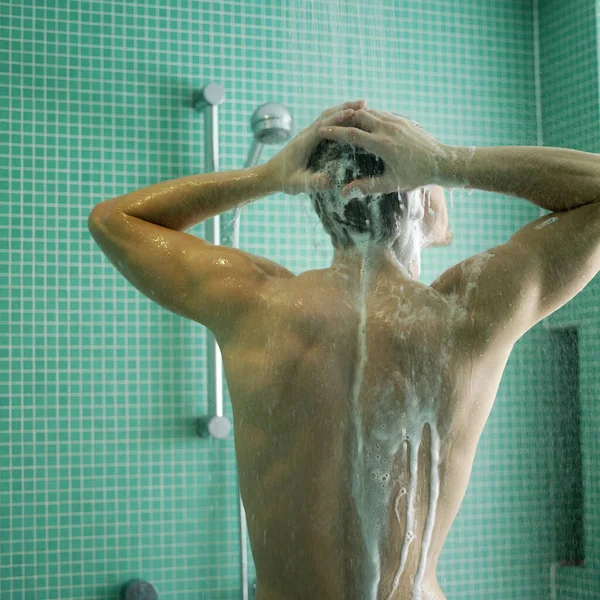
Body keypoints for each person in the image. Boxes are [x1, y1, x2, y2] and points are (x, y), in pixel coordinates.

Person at [88, 100, 600, 600]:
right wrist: (447, 160)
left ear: (320, 201)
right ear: (418, 195)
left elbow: (114, 220)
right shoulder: (468, 313)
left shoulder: (254, 303)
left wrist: (264, 177)